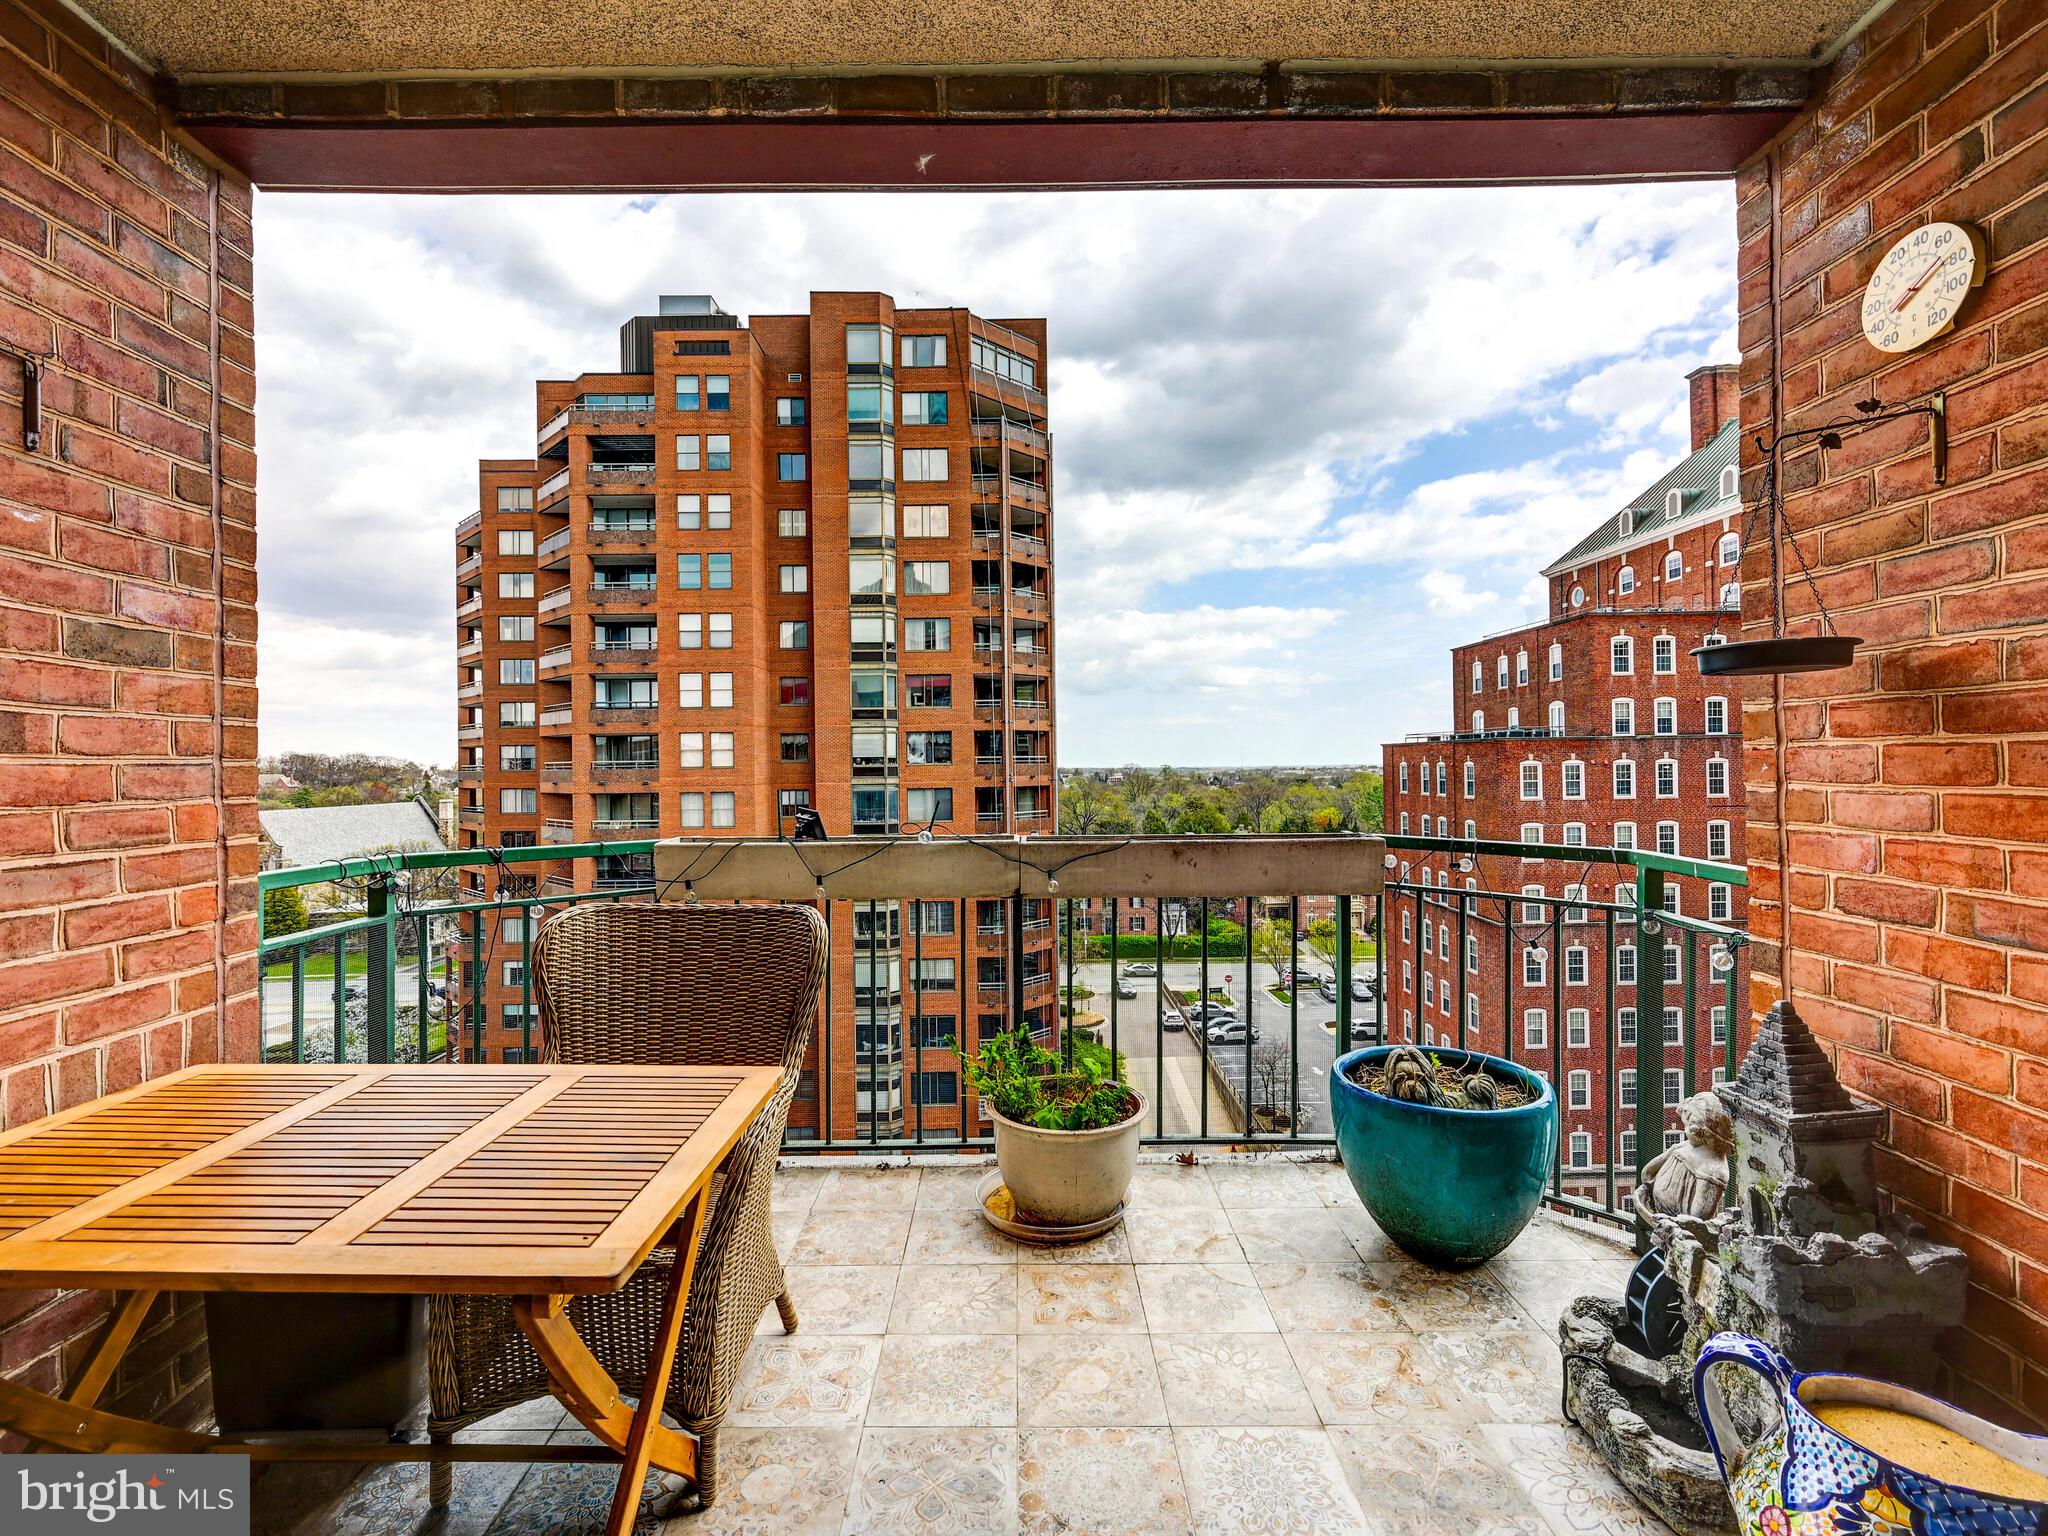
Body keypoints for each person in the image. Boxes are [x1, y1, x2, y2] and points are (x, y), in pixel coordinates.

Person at [1632, 1091, 1734, 1221]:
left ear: (1702, 1132)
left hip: (1673, 1229)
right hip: (1657, 1214)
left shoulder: (1712, 1172)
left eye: (1686, 1126)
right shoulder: (1685, 1147)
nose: (1684, 1130)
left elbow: (1696, 1222)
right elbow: (1647, 1172)